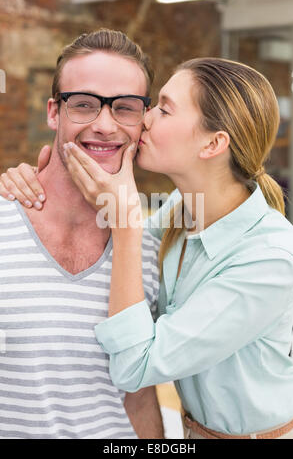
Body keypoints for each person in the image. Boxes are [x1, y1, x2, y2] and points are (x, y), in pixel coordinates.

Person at [2, 58, 293, 439]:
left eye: (164, 108)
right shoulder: (183, 209)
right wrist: (28, 179)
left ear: (213, 143)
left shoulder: (268, 259)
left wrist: (124, 225)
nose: (145, 120)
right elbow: (126, 239)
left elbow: (136, 367)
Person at [0, 28, 164, 439]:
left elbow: (139, 394)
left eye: (124, 108)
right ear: (55, 112)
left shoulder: (149, 248)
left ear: (143, 120)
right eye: (85, 105)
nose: (105, 125)